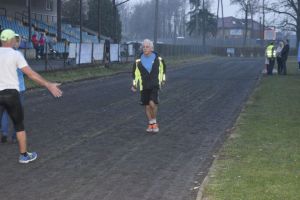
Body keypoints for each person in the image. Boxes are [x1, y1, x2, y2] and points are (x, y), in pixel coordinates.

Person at [0, 29, 63, 163]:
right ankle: (24, 155)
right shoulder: (16, 54)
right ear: (12, 40)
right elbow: (31, 74)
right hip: (11, 94)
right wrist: (48, 84)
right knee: (19, 125)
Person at [131, 39, 166, 133]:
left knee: (152, 103)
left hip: (155, 84)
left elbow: (163, 69)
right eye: (144, 47)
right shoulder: (138, 61)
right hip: (144, 85)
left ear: (151, 48)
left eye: (147, 47)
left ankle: (154, 122)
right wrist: (134, 85)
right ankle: (151, 124)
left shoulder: (158, 59)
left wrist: (163, 80)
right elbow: (135, 74)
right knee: (147, 106)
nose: (145, 48)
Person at [1, 34, 26, 144]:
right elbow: (23, 71)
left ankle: (4, 133)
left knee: (4, 113)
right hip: (17, 88)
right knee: (17, 113)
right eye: (18, 41)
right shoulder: (17, 54)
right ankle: (16, 135)